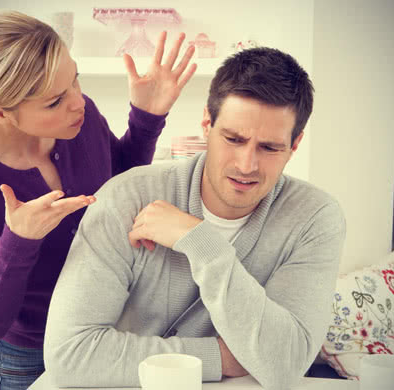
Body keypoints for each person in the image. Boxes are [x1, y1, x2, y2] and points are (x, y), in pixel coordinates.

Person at [0, 9, 197, 390]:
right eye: (54, 101)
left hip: (112, 332)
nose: (78, 102)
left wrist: (147, 118)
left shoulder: (82, 124)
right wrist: (19, 241)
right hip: (28, 359)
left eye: (76, 80)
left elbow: (118, 185)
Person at [44, 46, 347, 390]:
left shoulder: (315, 218)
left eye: (270, 148)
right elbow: (69, 356)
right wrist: (219, 356)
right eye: (233, 139)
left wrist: (203, 244)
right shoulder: (125, 198)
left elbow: (285, 364)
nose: (246, 165)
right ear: (206, 123)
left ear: (295, 145)